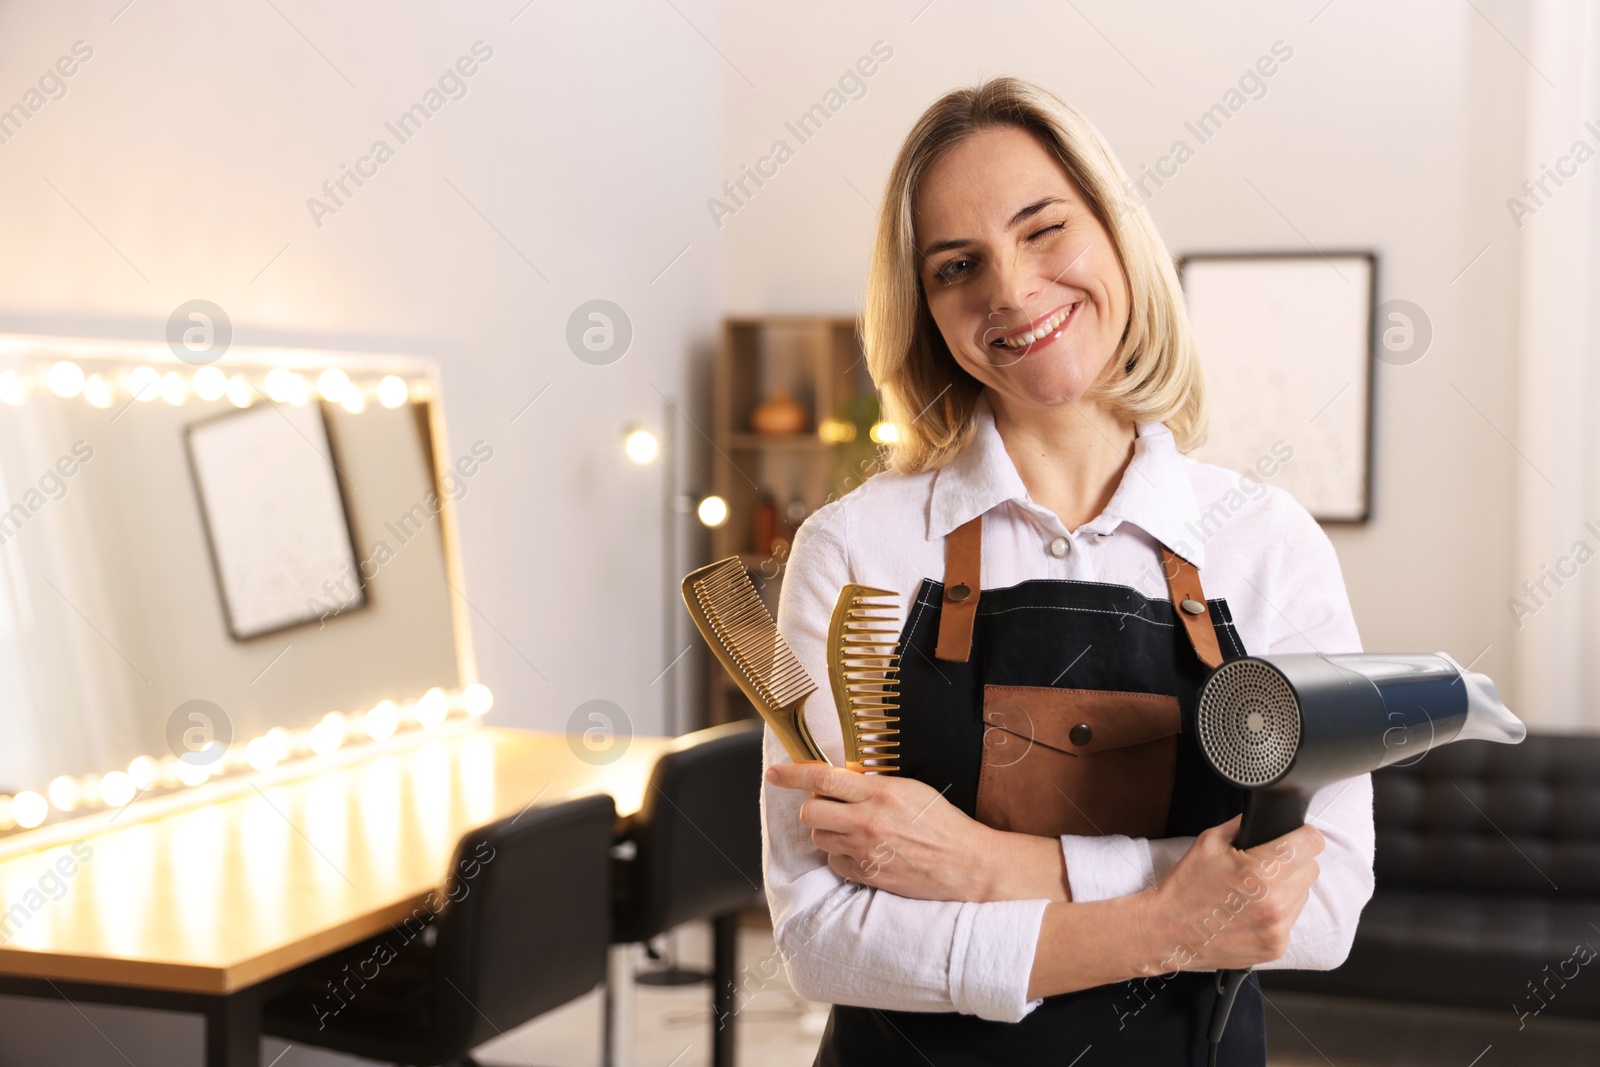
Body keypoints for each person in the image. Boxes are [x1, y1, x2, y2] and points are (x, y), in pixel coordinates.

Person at [761, 77, 1375, 1066]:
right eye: (958, 264)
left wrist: (989, 865)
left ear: (1118, 233)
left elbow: (1318, 907)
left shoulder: (1266, 544)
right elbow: (822, 938)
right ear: (925, 308)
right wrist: (1163, 922)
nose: (1008, 289)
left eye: (1043, 228)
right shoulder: (856, 549)